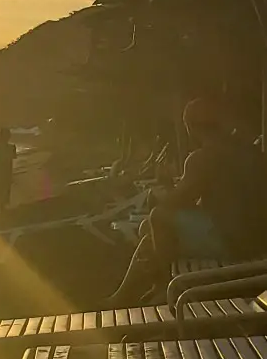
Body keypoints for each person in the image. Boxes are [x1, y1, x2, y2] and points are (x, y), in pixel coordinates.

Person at [107, 99, 267, 305]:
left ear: (191, 128)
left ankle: (166, 285)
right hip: (257, 239)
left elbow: (175, 203)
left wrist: (164, 184)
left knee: (157, 218)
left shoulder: (203, 157)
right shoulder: (251, 151)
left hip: (234, 244)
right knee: (151, 230)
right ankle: (121, 296)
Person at [0, 127, 17, 215]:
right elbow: (13, 158)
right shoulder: (11, 147)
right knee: (4, 195)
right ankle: (1, 213)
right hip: (7, 173)